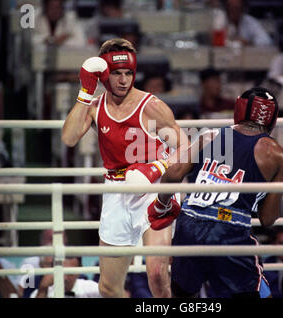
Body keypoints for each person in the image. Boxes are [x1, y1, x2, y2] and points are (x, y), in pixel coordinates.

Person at [61, 38, 189, 298]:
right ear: (104, 74)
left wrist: (156, 169)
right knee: (108, 288)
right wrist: (86, 92)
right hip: (116, 192)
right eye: (116, 74)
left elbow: (185, 148)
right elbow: (69, 138)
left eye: (128, 73)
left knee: (156, 274)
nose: (123, 80)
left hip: (155, 190)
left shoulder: (151, 107)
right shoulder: (96, 107)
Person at [145, 87, 283, 297]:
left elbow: (172, 176)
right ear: (272, 118)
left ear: (239, 109)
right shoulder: (277, 155)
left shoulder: (209, 136)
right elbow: (268, 219)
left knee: (183, 294)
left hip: (189, 225)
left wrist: (161, 206)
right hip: (229, 231)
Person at [30, 257, 100, 298]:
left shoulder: (92, 289)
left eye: (70, 273)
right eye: (61, 273)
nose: (65, 278)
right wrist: (43, 289)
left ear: (80, 270)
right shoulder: (41, 292)